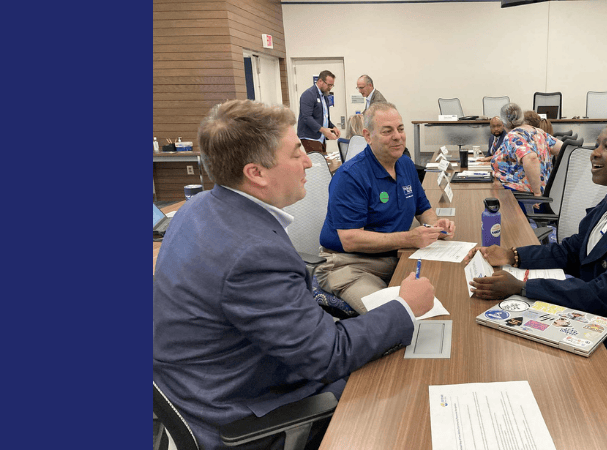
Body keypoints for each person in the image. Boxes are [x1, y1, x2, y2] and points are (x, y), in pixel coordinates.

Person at [155, 100, 436, 450]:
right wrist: (406, 307)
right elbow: (329, 355)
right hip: (241, 414)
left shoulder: (197, 207)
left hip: (209, 384)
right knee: (402, 384)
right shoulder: (253, 254)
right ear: (256, 173)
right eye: (296, 152)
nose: (308, 162)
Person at [469, 118, 607, 416]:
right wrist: (514, 255)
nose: (595, 152)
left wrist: (523, 286)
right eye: (597, 144)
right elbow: (574, 249)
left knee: (539, 378)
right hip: (603, 312)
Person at [317, 101, 457, 310]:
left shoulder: (405, 164)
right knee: (395, 315)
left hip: (396, 254)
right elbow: (350, 240)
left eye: (400, 129)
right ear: (367, 136)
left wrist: (436, 225)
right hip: (350, 264)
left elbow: (423, 208)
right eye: (387, 131)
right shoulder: (350, 176)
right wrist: (409, 238)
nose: (397, 136)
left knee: (447, 290)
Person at [490, 103, 560, 196]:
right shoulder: (538, 132)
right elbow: (564, 149)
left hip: (521, 195)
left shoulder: (514, 136)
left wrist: (537, 193)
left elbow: (531, 158)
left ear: (503, 123)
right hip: (544, 192)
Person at [297, 71, 342, 156]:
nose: (330, 88)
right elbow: (306, 117)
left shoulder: (324, 96)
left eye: (332, 85)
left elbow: (324, 117)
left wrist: (333, 127)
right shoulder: (308, 95)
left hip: (320, 137)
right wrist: (323, 130)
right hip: (310, 137)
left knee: (323, 161)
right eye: (329, 85)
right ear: (320, 81)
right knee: (318, 165)